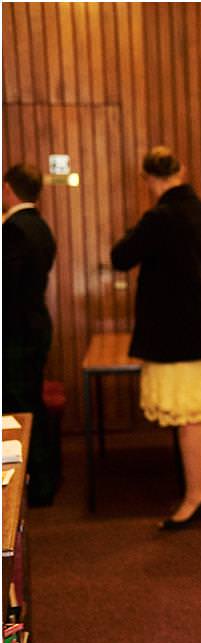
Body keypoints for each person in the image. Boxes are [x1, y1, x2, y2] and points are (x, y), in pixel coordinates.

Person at [111, 146, 201, 530]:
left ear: (148, 179)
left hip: (179, 335)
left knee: (190, 417)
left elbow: (120, 257)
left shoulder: (159, 217)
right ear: (183, 170)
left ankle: (195, 497)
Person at [2, 163, 58, 506]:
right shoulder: (40, 226)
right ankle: (44, 478)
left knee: (20, 408)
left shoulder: (14, 229)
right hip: (33, 324)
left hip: (17, 331)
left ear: (9, 190)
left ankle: (36, 485)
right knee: (30, 402)